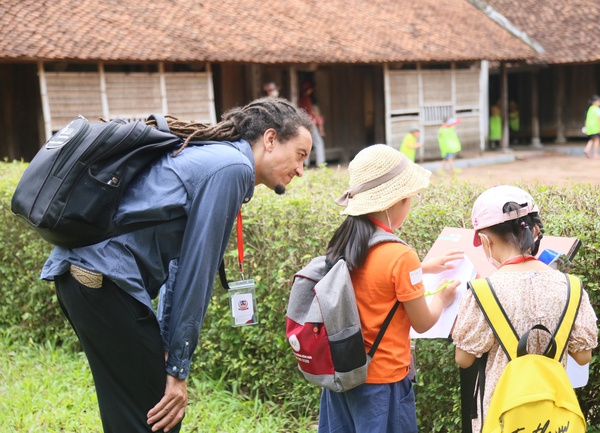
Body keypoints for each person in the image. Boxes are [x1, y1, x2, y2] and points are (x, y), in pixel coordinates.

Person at [40, 97, 313, 433]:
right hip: (103, 281)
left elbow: (180, 266)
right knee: (160, 415)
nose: (301, 169)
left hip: (82, 279)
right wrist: (178, 372)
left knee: (130, 413)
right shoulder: (233, 168)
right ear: (270, 140)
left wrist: (169, 347)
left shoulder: (216, 158)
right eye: (300, 155)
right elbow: (196, 272)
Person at [319, 144, 461, 433]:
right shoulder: (400, 255)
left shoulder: (344, 241)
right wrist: (444, 299)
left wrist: (424, 267)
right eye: (409, 199)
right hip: (382, 382)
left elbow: (374, 281)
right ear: (395, 201)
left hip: (342, 375)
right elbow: (422, 322)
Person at [452, 185, 599, 433]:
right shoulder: (571, 286)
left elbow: (463, 359)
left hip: (501, 415)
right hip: (553, 418)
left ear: (485, 241)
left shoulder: (483, 291)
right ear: (536, 230)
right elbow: (583, 356)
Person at [298, 81, 326, 167]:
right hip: (310, 122)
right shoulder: (307, 99)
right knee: (318, 142)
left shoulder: (301, 99)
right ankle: (320, 163)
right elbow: (310, 111)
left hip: (303, 123)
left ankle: (306, 163)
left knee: (306, 142)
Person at [583, 94, 600, 159]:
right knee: (597, 140)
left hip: (589, 128)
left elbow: (586, 120)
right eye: (599, 101)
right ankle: (596, 154)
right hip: (596, 127)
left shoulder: (589, 109)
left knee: (592, 139)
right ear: (594, 102)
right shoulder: (597, 109)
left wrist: (586, 127)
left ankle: (587, 149)